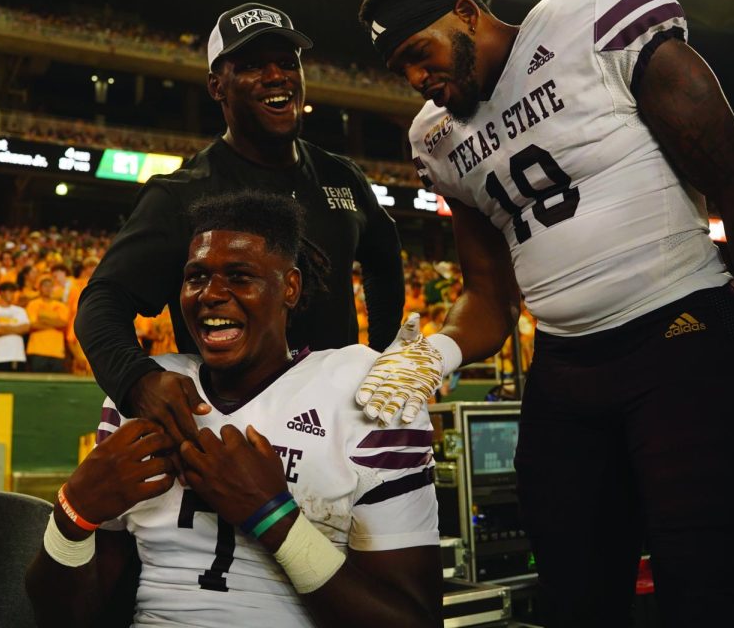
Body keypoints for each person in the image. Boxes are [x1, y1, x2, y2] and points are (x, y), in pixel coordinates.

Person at [355, 0, 734, 626]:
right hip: (567, 374)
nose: (419, 82)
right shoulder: (438, 138)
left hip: (683, 342)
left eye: (420, 54)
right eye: (402, 70)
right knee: (574, 596)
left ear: (468, 15)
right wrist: (428, 360)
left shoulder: (593, 15)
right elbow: (488, 296)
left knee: (716, 595)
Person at [26, 192, 441, 628]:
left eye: (240, 276)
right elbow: (68, 620)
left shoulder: (365, 389)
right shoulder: (145, 395)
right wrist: (72, 513)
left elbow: (414, 620)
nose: (212, 294)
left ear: (291, 287)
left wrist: (273, 517)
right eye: (196, 277)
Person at [76, 2, 405, 446]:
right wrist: (136, 380)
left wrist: (382, 355)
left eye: (288, 64)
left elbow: (384, 259)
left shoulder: (342, 176)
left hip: (337, 429)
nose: (276, 76)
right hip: (231, 434)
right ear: (217, 86)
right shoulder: (182, 193)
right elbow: (102, 302)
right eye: (252, 66)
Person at [27, 275, 71, 373]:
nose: (48, 288)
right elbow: (33, 324)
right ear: (40, 288)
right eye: (45, 286)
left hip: (57, 352)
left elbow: (64, 324)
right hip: (37, 351)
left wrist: (43, 319)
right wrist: (55, 323)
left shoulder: (61, 306)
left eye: (50, 286)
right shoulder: (33, 304)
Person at [0, 281, 30, 372]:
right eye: (10, 291)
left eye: (13, 292)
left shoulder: (20, 310)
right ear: (1, 293)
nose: (12, 295)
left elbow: (26, 328)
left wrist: (4, 328)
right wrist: (16, 329)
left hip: (18, 356)